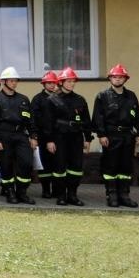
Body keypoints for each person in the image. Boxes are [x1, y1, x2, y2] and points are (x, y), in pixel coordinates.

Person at [93, 63, 139, 207]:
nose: (118, 80)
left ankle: (124, 195)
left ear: (125, 79)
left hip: (128, 136)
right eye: (115, 77)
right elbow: (98, 117)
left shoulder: (131, 96)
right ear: (110, 78)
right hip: (111, 136)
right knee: (110, 167)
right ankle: (112, 195)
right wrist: (101, 135)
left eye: (121, 77)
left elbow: (138, 115)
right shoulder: (103, 96)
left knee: (126, 167)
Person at [0, 67, 35, 205]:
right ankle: (10, 192)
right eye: (11, 80)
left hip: (20, 135)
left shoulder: (23, 99)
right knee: (5, 166)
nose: (14, 83)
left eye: (15, 81)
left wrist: (33, 136)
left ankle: (22, 193)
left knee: (26, 163)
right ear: (4, 81)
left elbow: (30, 120)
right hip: (4, 135)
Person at [51, 66, 92, 207]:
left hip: (76, 137)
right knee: (60, 167)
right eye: (68, 81)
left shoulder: (80, 100)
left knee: (76, 167)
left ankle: (73, 195)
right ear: (61, 82)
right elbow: (47, 122)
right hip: (59, 137)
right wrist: (49, 140)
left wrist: (88, 138)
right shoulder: (52, 99)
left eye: (73, 81)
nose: (72, 84)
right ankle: (61, 195)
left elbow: (86, 120)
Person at [31, 70, 63, 199]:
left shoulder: (59, 97)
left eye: (53, 83)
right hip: (43, 136)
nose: (51, 85)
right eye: (48, 83)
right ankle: (45, 190)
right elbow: (33, 118)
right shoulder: (37, 99)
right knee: (44, 165)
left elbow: (63, 112)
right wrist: (34, 136)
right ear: (43, 84)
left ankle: (57, 189)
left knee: (58, 163)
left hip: (58, 136)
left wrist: (56, 96)